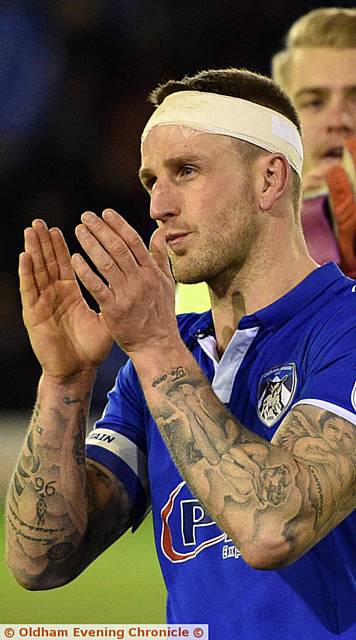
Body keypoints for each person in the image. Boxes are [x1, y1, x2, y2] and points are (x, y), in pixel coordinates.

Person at [5, 68, 356, 640]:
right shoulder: (171, 354)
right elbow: (39, 561)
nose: (159, 206)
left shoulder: (345, 326)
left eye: (186, 172)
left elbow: (275, 527)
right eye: (150, 182)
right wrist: (65, 381)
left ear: (269, 180)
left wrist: (152, 345)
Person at [176, 7, 356, 314]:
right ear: (284, 123)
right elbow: (209, 357)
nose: (338, 120)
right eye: (315, 101)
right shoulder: (220, 244)